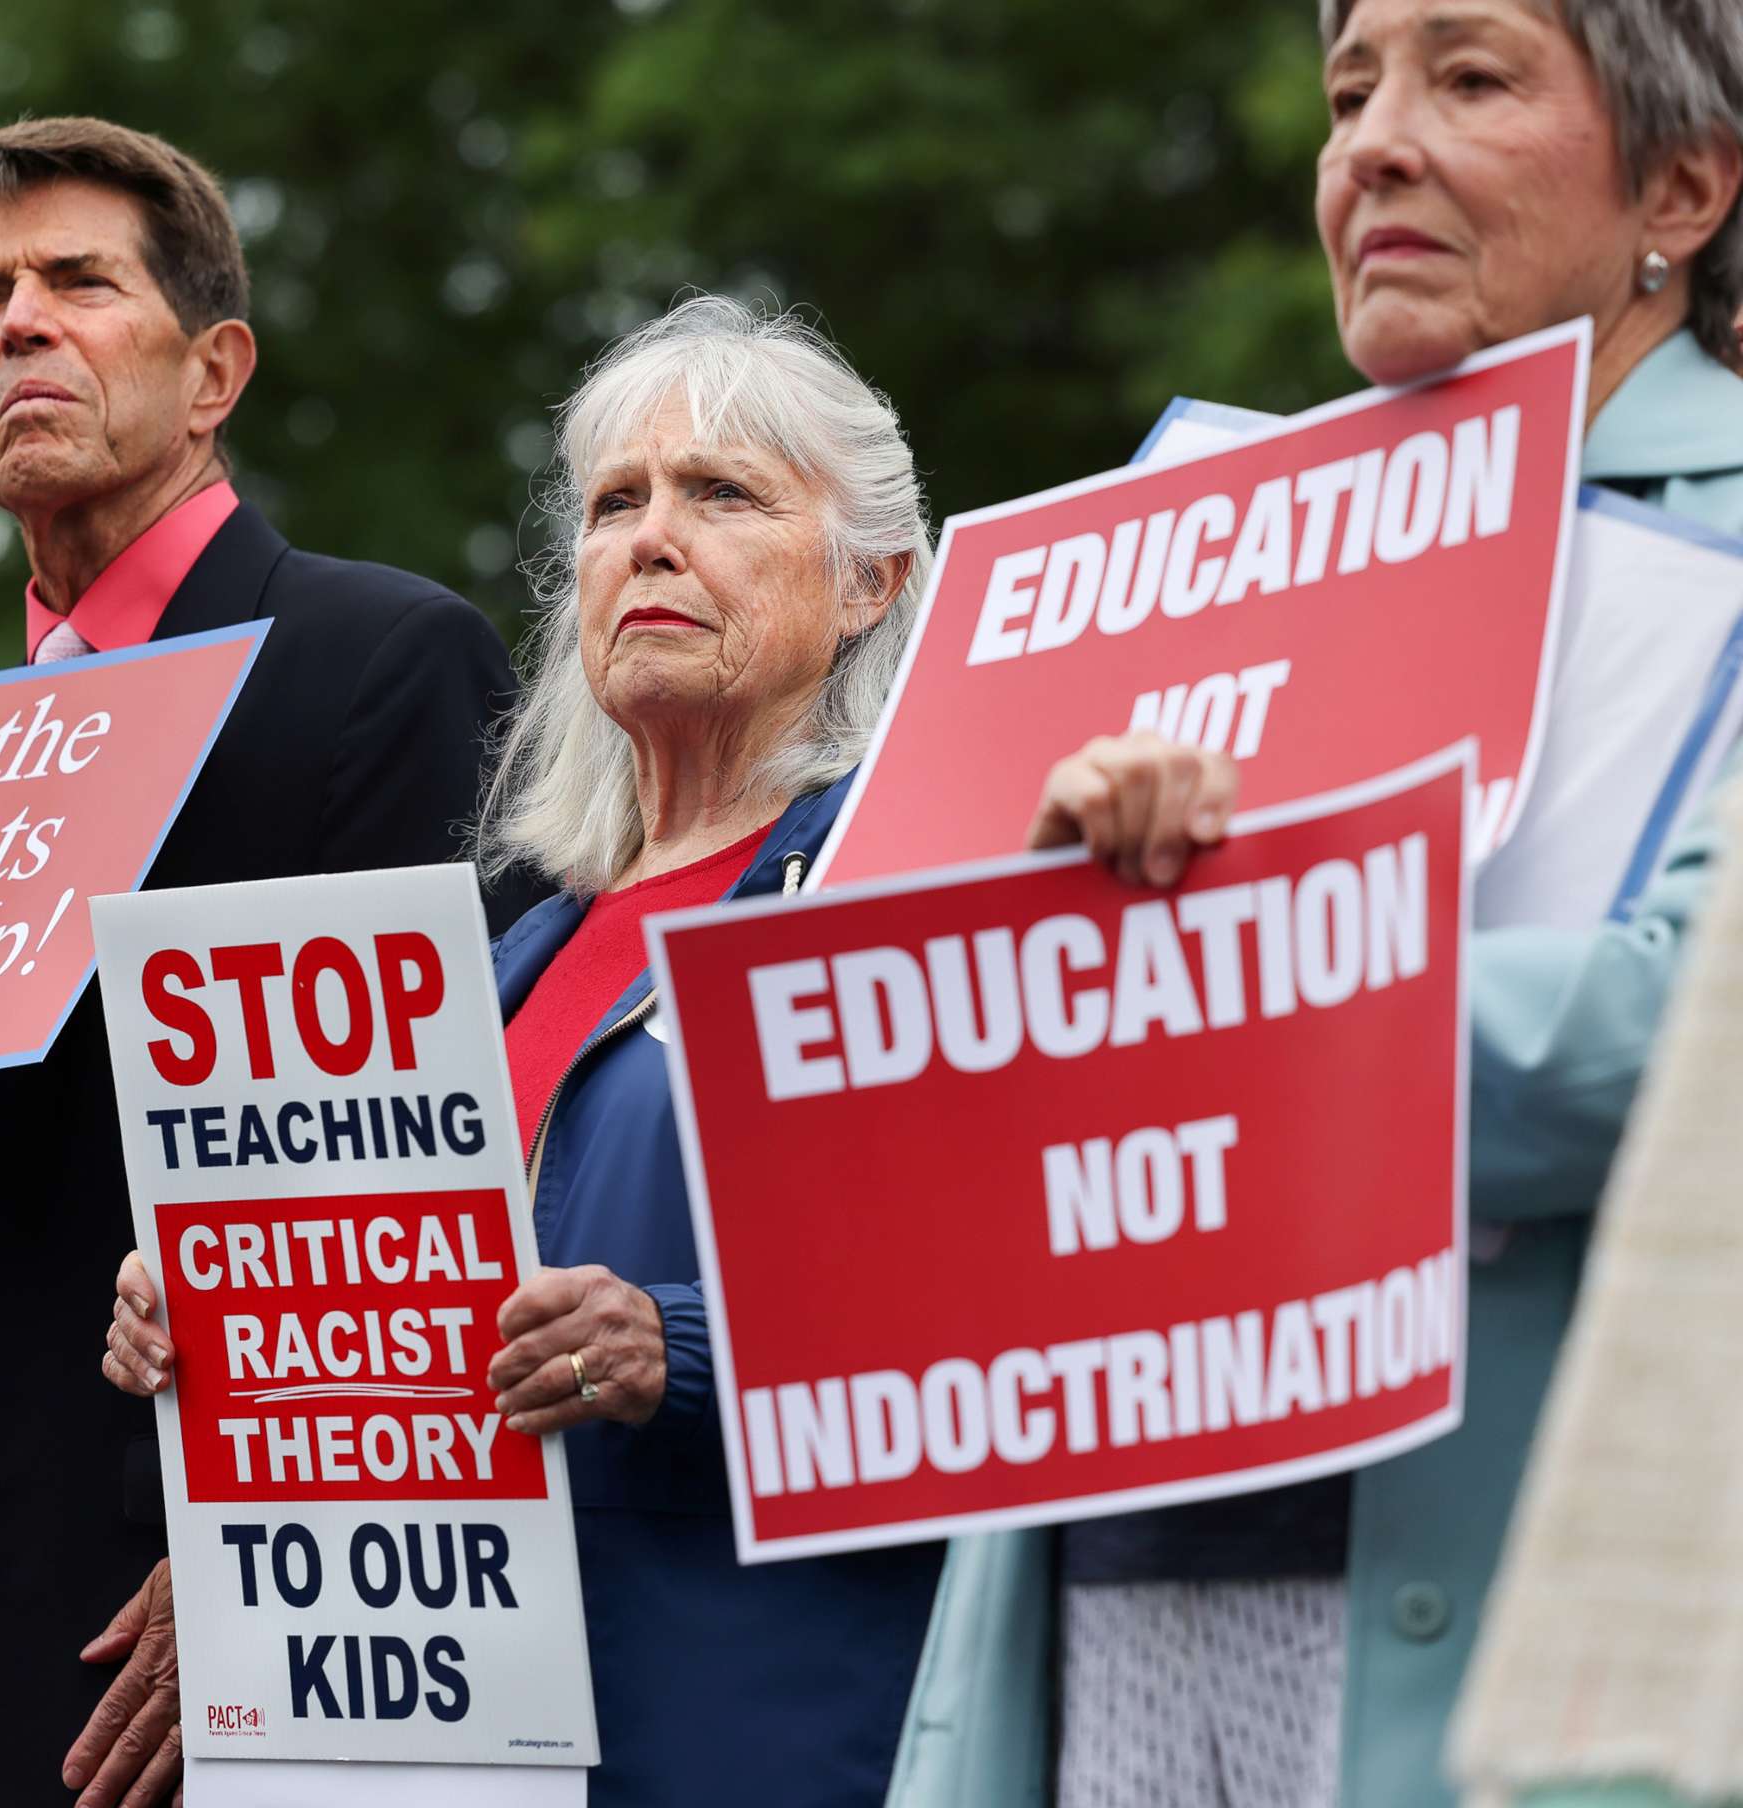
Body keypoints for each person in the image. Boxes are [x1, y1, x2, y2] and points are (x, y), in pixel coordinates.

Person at [889, 5, 1743, 1805]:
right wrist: (1032, 933)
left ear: (1682, 181)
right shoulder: (1169, 555)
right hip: (1113, 1584)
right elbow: (931, 1106)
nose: (1372, 143)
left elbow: (1683, 1045)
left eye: (1472, 76)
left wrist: (1205, 972)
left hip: (1506, 1604)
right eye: (1347, 91)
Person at [0, 117, 533, 1808]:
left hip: (214, 1648)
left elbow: (426, 1186)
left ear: (213, 365)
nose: (17, 323)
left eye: (78, 281)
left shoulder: (377, 663)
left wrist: (267, 1554)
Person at [102, 292, 948, 1805]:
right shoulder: (498, 964)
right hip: (452, 1753)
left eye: (724, 496)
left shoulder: (911, 890)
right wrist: (220, 1309)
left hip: (763, 1726)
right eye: (617, 503)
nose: (651, 537)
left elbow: (1004, 1307)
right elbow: (388, 1337)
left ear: (872, 581)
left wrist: (671, 1344)